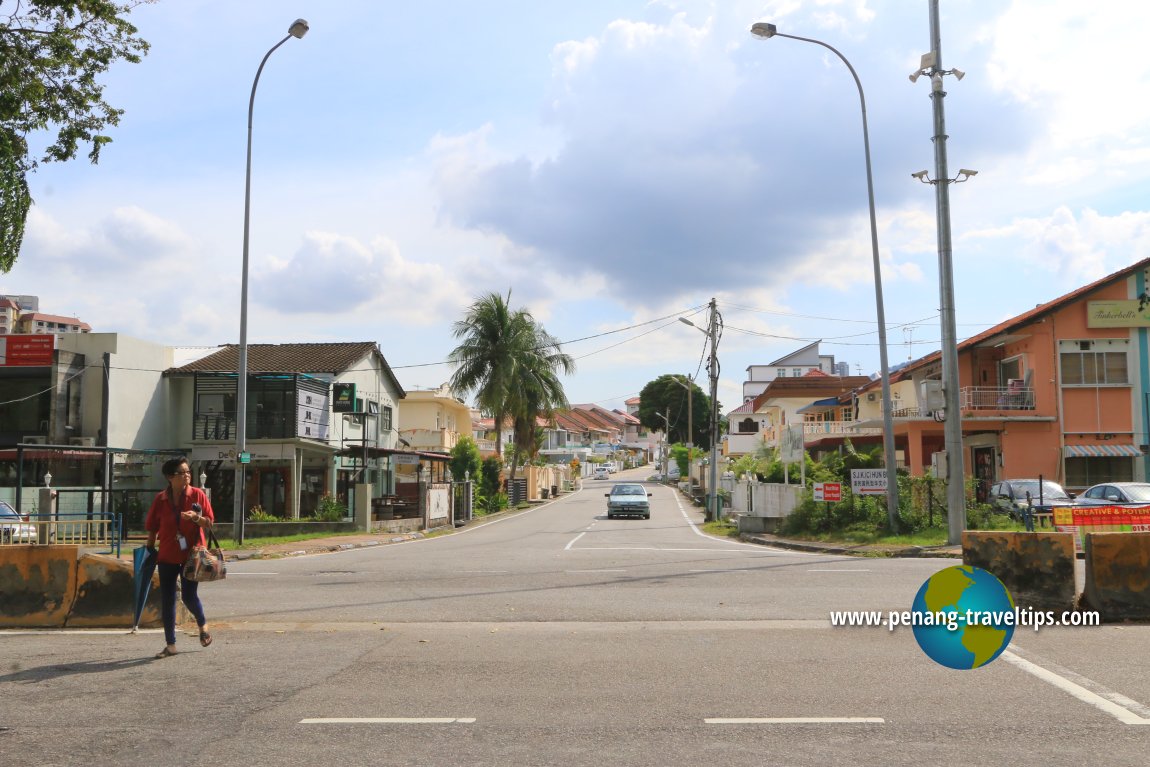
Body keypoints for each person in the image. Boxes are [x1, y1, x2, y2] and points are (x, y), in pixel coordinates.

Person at [145, 457, 214, 658]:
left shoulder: (198, 495)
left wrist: (196, 518)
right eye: (181, 473)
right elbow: (152, 527)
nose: (186, 476)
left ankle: (203, 624)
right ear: (169, 477)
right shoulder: (161, 499)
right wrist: (149, 550)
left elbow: (209, 523)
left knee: (188, 596)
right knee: (167, 599)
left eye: (187, 472)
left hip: (192, 555)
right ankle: (171, 644)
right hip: (167, 554)